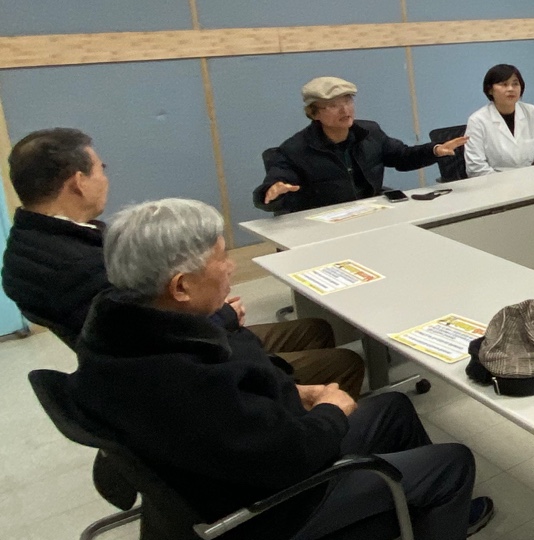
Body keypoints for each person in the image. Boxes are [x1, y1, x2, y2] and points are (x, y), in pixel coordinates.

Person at [68, 198, 494, 540]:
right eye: (220, 258)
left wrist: (293, 391)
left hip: (242, 475)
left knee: (393, 409)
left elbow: (246, 409)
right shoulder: (183, 380)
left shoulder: (127, 334)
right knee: (452, 464)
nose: (231, 267)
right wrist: (330, 410)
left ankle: (434, 520)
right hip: (270, 512)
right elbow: (294, 455)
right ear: (180, 287)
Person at [2, 129, 364, 396]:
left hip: (169, 354)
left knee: (316, 328)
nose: (105, 177)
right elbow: (150, 336)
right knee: (345, 362)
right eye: (101, 168)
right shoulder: (78, 266)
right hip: (190, 369)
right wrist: (221, 316)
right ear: (79, 182)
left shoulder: (30, 245)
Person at [254, 77, 467, 214]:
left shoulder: (369, 132)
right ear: (314, 113)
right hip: (327, 222)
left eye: (348, 101)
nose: (345, 110)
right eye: (333, 105)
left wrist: (435, 150)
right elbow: (272, 187)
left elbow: (402, 156)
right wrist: (272, 192)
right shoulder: (295, 149)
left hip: (370, 213)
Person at [463, 63, 534, 177]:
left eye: (515, 84)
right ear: (490, 90)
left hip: (532, 179)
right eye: (504, 84)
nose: (511, 89)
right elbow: (476, 167)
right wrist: (506, 183)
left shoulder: (533, 113)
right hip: (495, 183)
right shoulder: (477, 121)